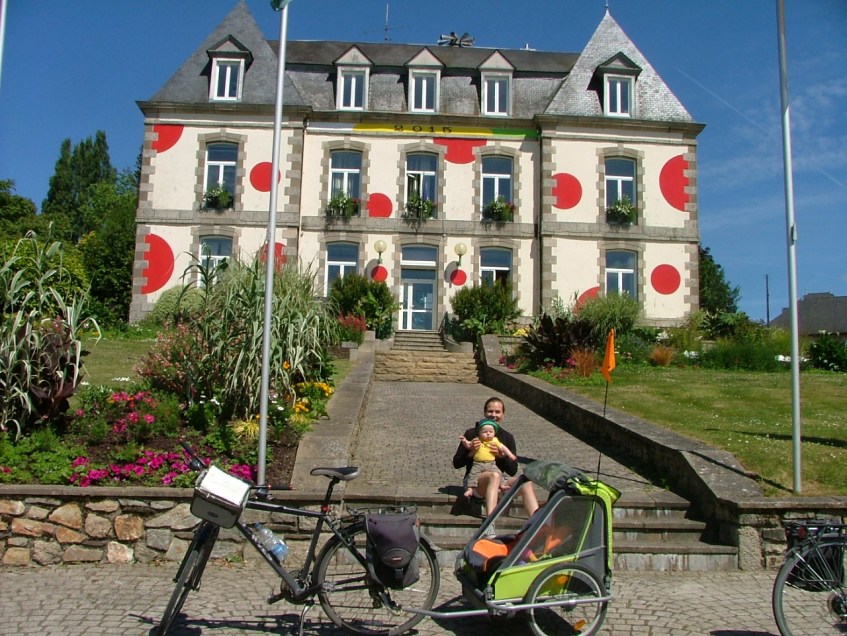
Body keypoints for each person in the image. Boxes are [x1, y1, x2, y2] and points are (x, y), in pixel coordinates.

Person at [453, 396, 539, 518]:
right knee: (494, 476)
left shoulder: (507, 437)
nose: (494, 415)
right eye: (490, 411)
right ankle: (490, 523)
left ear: (503, 415)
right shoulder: (472, 434)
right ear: (484, 412)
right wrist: (471, 453)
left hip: (501, 482)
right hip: (476, 481)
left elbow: (512, 470)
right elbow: (457, 463)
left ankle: (537, 523)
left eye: (497, 412)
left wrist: (500, 456)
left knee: (525, 482)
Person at [459, 419, 517, 500]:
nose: (488, 434)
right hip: (478, 464)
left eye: (491, 432)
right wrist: (464, 441)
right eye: (485, 432)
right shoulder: (477, 439)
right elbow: (468, 445)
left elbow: (503, 448)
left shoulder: (495, 440)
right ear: (479, 433)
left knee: (498, 473)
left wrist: (510, 455)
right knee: (473, 474)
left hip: (491, 463)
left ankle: (502, 486)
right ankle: (470, 489)